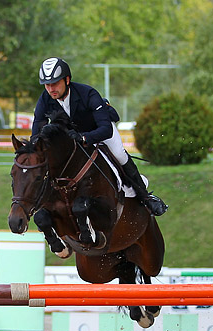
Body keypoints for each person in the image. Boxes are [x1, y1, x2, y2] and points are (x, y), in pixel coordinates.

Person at [31, 57, 167, 216]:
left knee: (119, 154)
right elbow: (37, 129)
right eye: (47, 85)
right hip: (74, 137)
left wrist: (84, 138)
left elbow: (106, 129)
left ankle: (146, 197)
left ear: (67, 80)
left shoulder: (87, 94)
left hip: (99, 131)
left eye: (55, 83)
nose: (50, 88)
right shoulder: (45, 99)